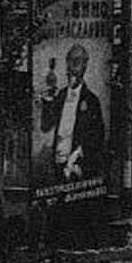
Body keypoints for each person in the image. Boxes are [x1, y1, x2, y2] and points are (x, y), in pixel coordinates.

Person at [40, 42, 106, 182]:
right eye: (71, 60)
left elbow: (98, 135)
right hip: (58, 163)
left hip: (78, 166)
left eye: (79, 61)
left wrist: (78, 154)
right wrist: (48, 101)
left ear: (85, 66)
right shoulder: (60, 96)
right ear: (66, 63)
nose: (74, 65)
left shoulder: (91, 100)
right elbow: (46, 126)